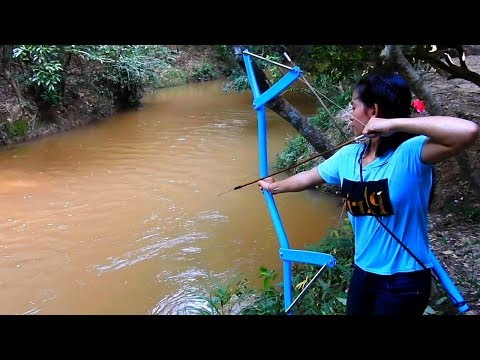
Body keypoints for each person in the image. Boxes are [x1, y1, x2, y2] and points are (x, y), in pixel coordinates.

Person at [257, 70, 479, 316]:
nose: (350, 116)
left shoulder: (409, 154)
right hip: (364, 273)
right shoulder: (349, 156)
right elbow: (310, 176)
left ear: (373, 111)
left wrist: (393, 124)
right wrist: (274, 187)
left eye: (354, 107)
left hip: (404, 280)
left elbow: (467, 131)